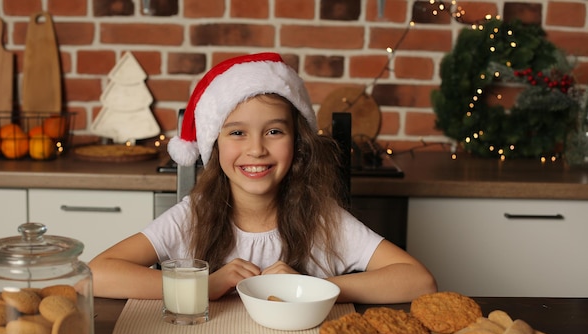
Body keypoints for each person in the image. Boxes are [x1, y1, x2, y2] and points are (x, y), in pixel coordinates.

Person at [89, 52, 437, 304]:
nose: (256, 150)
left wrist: (311, 289)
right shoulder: (192, 216)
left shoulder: (323, 220)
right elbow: (95, 274)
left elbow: (418, 281)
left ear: (297, 142)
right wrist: (203, 286)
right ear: (214, 145)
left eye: (273, 131)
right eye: (237, 133)